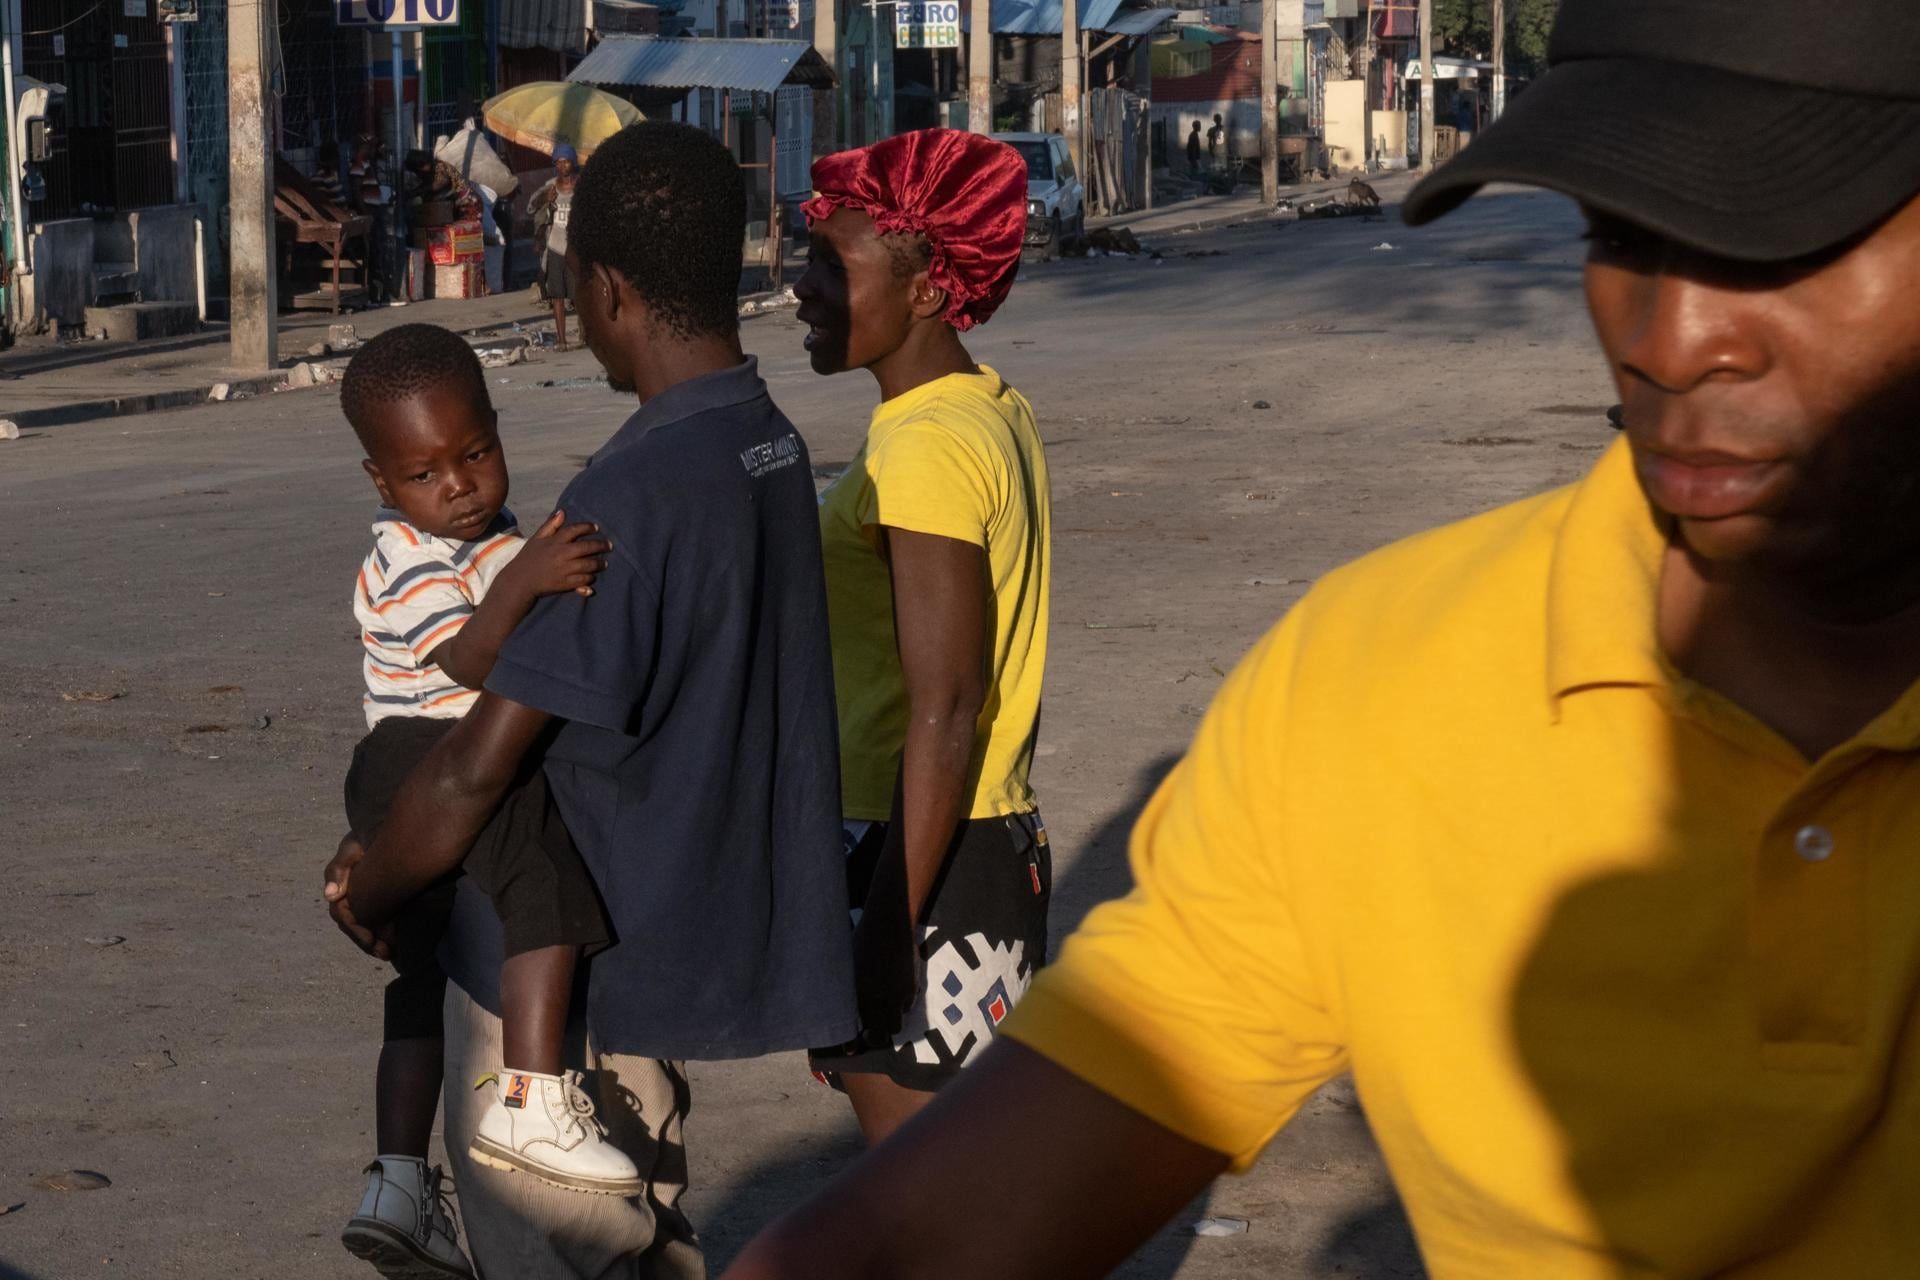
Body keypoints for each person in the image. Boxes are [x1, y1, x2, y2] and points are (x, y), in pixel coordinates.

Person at [724, 1, 1920, 1275]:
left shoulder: (933, 438)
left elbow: (947, 695)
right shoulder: (1372, 683)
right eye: (1623, 231)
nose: (1674, 341)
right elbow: (953, 1213)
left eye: (1787, 239)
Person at [326, 120, 856, 1280]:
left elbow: (474, 765)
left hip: (549, 1009)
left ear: (605, 290)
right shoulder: (764, 442)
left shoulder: (627, 494)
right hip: (649, 971)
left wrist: (373, 881)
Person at [330, 324, 636, 1278]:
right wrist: (528, 579)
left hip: (413, 767)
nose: (458, 486)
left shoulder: (481, 535)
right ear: (384, 484)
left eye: (475, 455)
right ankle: (534, 1099)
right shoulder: (403, 558)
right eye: (426, 475)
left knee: (419, 983)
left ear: (499, 432)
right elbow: (467, 656)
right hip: (421, 755)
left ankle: (399, 1181)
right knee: (544, 878)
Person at [793, 129, 1052, 1147]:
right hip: (972, 835)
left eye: (832, 266)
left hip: (921, 849)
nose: (803, 289)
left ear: (930, 289)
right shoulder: (985, 408)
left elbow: (947, 702)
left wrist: (889, 922)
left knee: (928, 1204)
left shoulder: (926, 442)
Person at [529, 142, 581, 349]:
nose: (562, 166)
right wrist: (545, 198)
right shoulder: (550, 186)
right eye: (558, 163)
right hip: (555, 245)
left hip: (576, 247)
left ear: (573, 163)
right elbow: (531, 207)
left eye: (566, 162)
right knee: (557, 295)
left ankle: (584, 334)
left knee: (578, 295)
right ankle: (561, 339)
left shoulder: (581, 186)